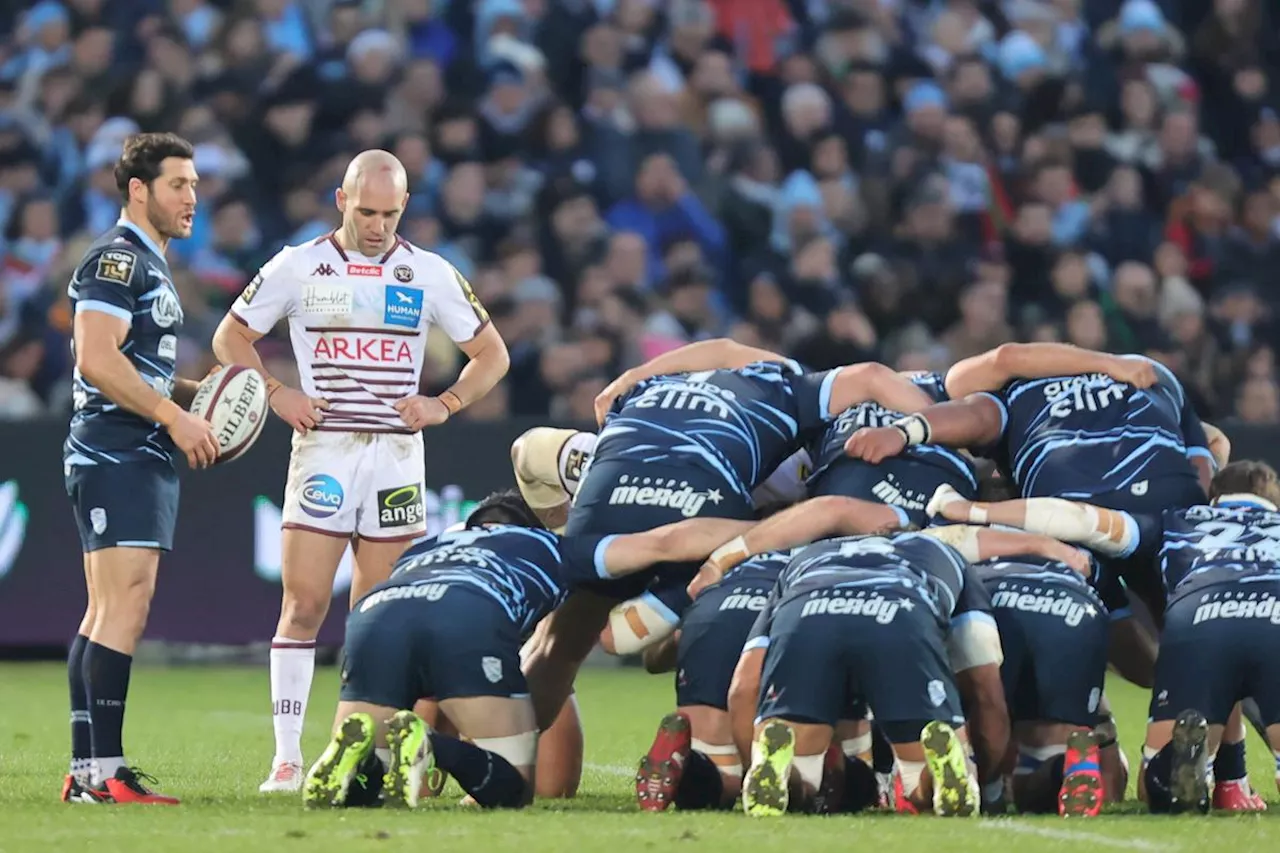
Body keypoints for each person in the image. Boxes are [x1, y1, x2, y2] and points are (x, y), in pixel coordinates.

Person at [211, 149, 510, 792]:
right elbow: (230, 337)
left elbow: (492, 354)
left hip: (397, 458)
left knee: (377, 615)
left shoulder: (427, 273)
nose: (377, 225)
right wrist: (276, 391)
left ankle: (366, 753)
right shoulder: (298, 265)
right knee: (305, 603)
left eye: (391, 213)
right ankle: (286, 758)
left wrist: (445, 402)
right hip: (325, 449)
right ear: (341, 199)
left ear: (404, 208)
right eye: (367, 210)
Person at [301, 490, 755, 809]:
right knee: (515, 787)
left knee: (367, 773)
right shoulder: (551, 547)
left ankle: (367, 758)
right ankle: (432, 747)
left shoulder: (425, 549)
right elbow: (667, 542)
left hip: (376, 614)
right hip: (468, 616)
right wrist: (772, 529)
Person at [62, 132, 219, 805]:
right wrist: (172, 416)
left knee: (105, 609)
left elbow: (134, 361)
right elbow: (96, 358)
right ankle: (104, 772)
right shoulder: (117, 262)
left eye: (194, 184)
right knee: (124, 604)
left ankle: (87, 770)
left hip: (127, 443)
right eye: (179, 184)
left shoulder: (145, 263)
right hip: (117, 446)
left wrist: (198, 396)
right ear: (138, 190)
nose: (193, 197)